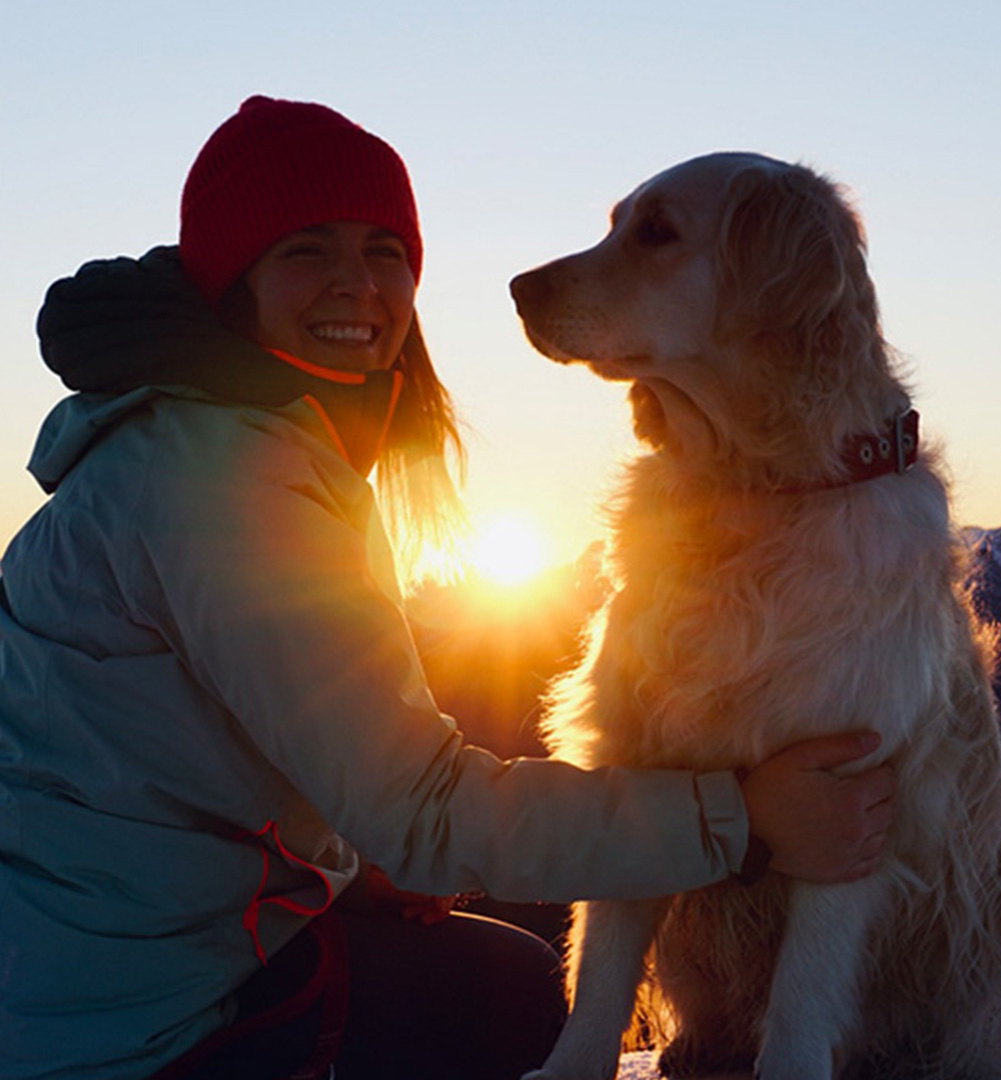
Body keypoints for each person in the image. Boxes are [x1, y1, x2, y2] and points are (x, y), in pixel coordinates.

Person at [0, 96, 895, 1080]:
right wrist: (748, 820)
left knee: (490, 970)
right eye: (306, 248)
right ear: (233, 279)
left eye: (385, 249)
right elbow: (424, 809)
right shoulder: (225, 480)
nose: (360, 284)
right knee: (500, 996)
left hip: (85, 964)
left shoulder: (213, 436)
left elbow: (174, 757)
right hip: (134, 1022)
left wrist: (345, 868)